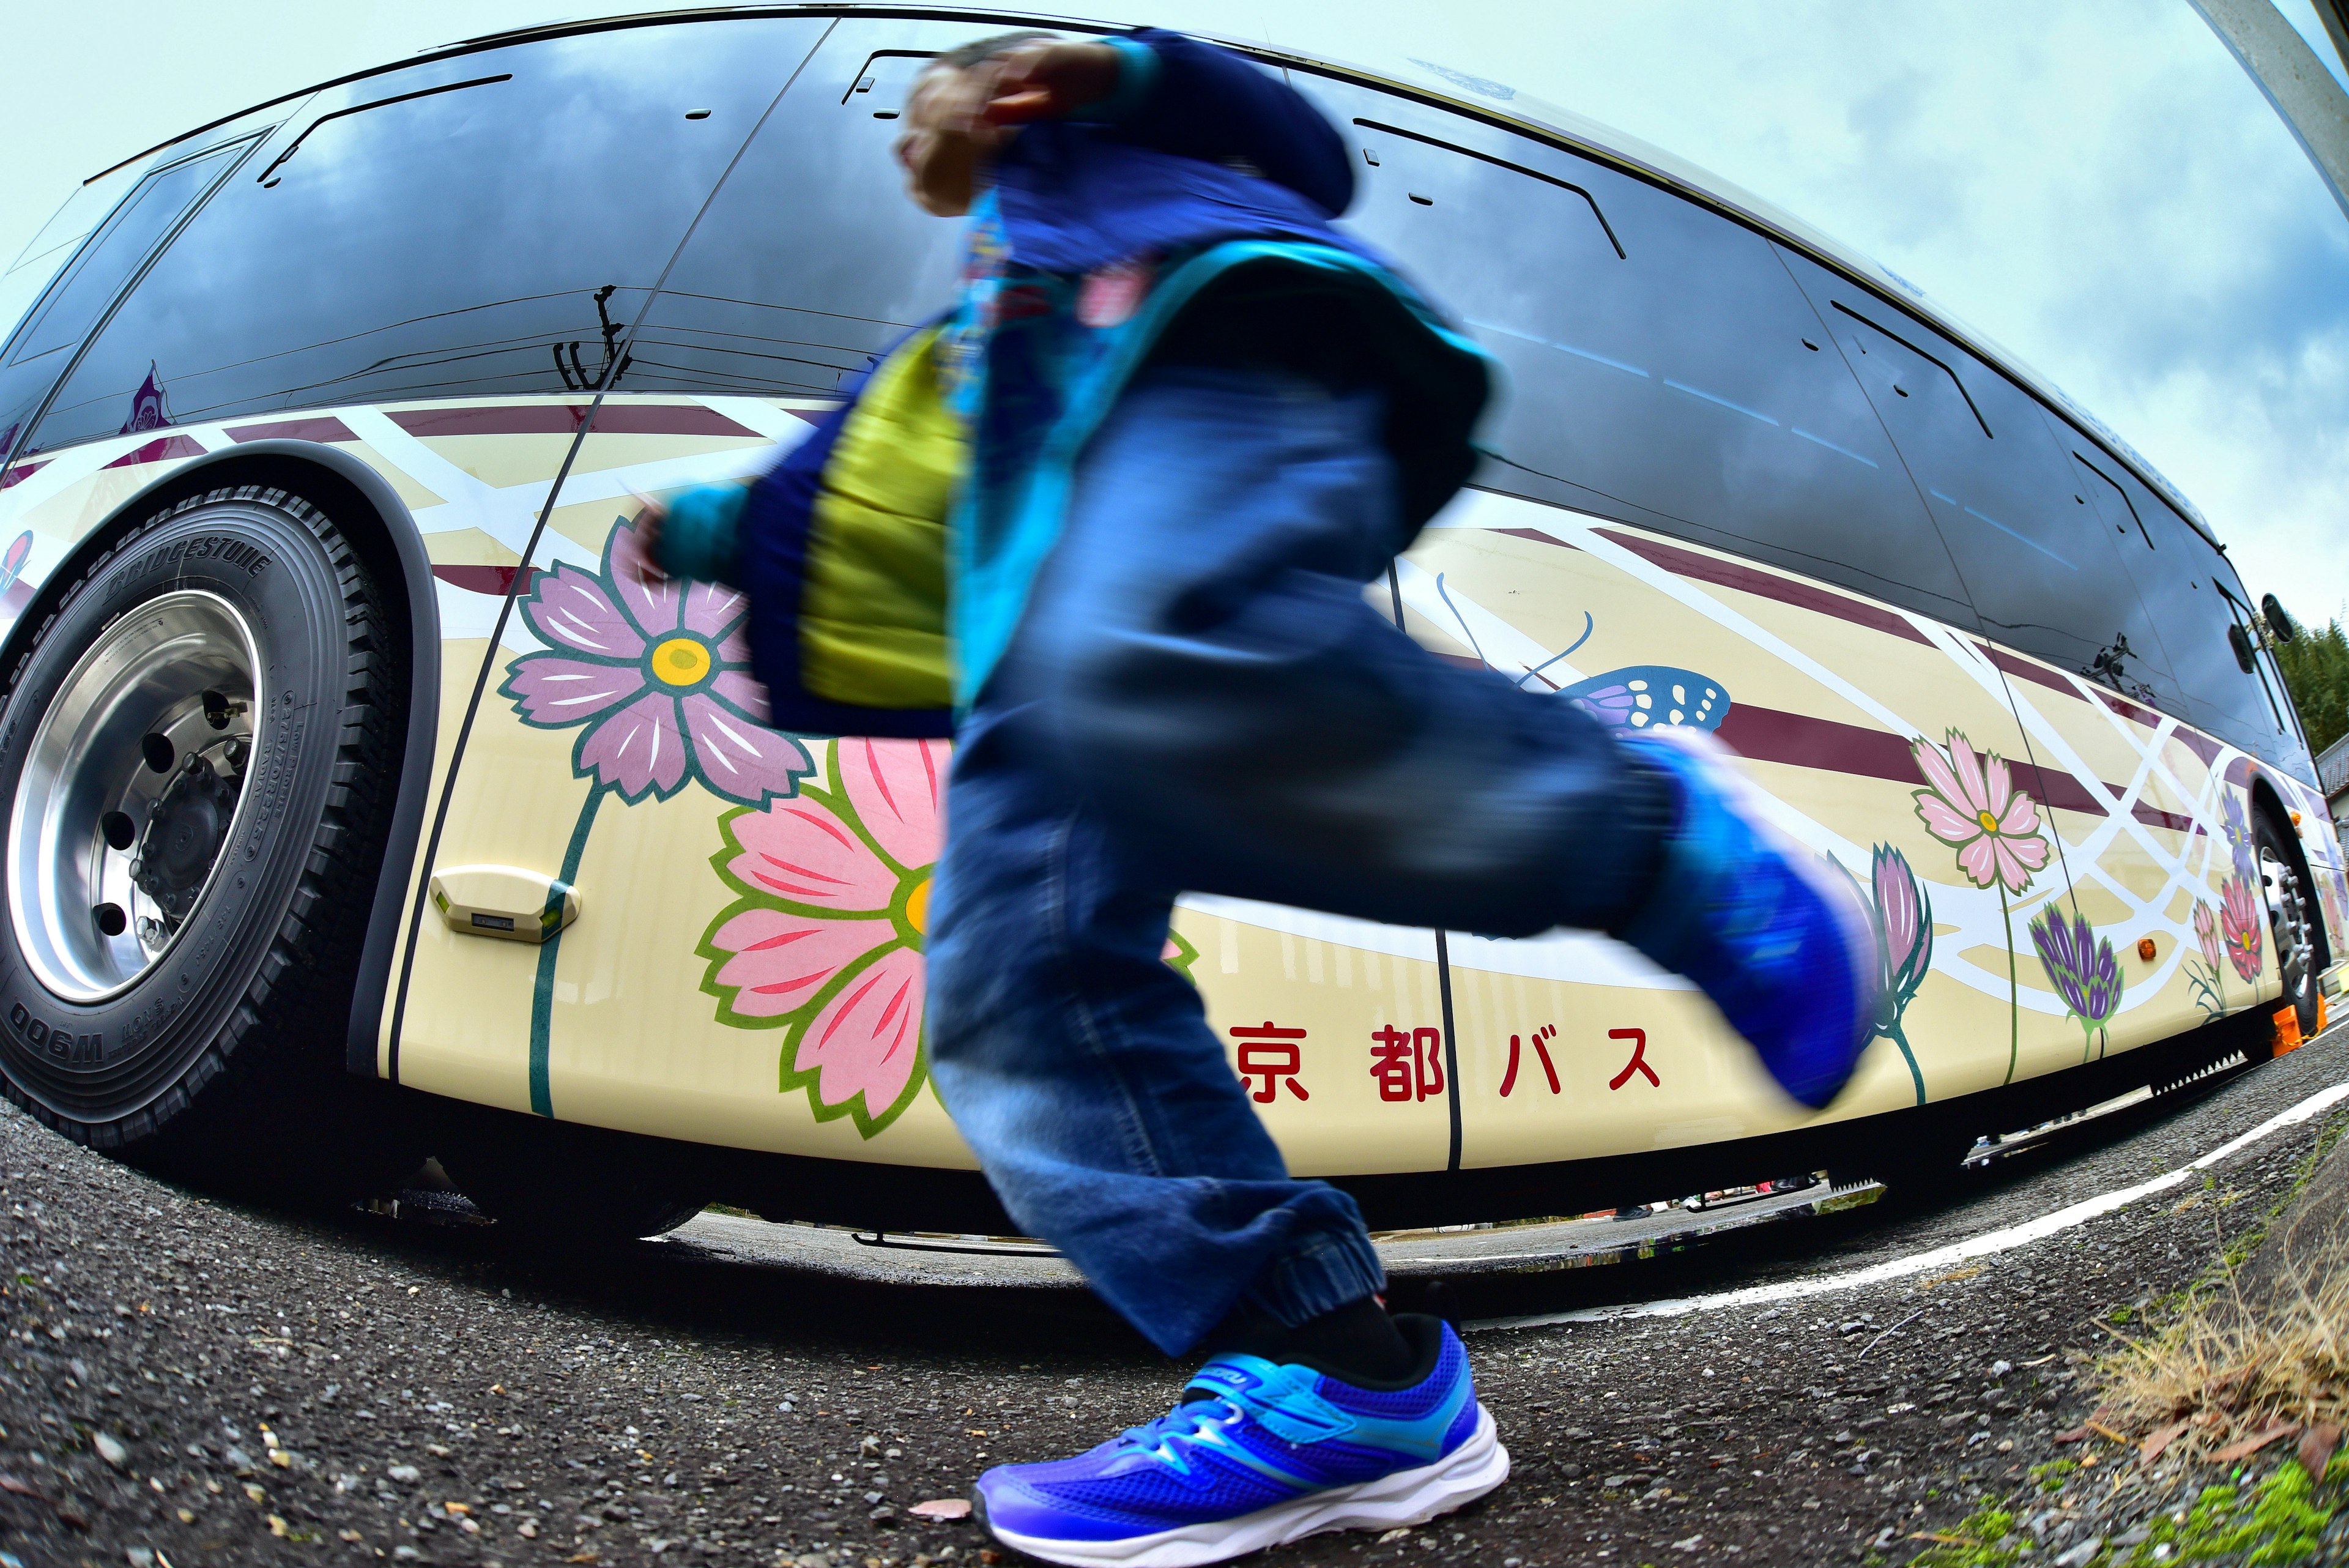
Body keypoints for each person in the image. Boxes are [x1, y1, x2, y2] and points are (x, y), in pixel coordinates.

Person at [642, 29, 1882, 1567]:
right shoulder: (974, 326)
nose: (938, 138)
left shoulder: (1133, 164)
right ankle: (1339, 1374)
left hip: (1222, 369)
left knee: (1145, 656)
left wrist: (1110, 77)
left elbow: (1307, 144)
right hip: (1043, 635)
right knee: (1008, 978)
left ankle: (1660, 847)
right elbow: (847, 475)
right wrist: (695, 526)